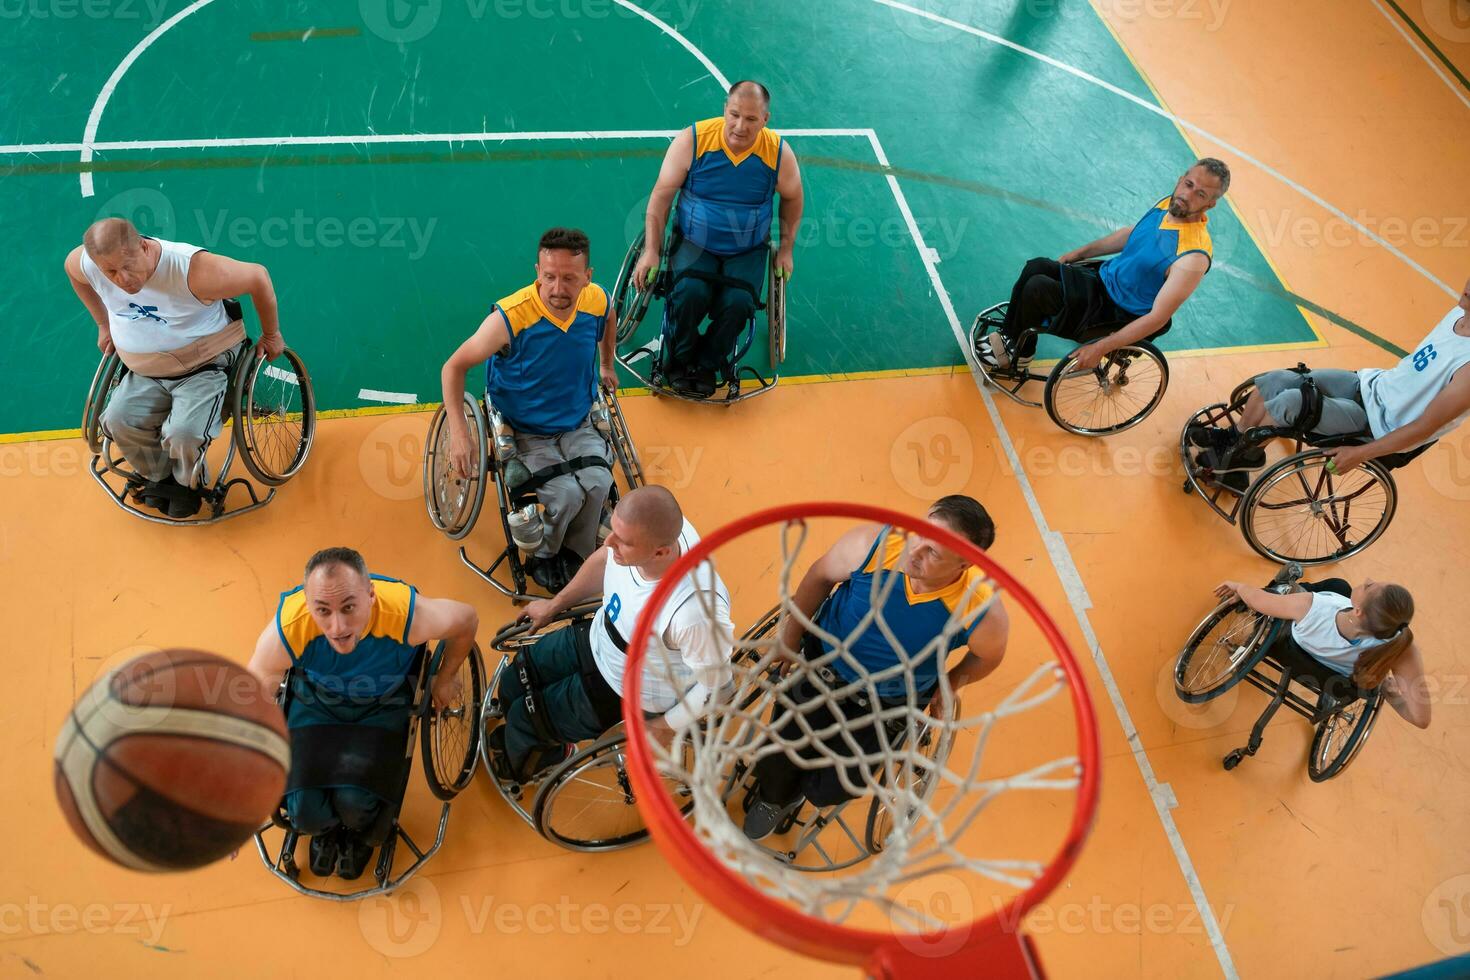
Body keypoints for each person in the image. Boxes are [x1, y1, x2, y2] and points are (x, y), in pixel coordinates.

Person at [742, 496, 1009, 841]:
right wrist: (789, 638)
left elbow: (989, 656)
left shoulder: (981, 609)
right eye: (920, 535)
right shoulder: (872, 545)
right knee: (780, 757)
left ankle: (808, 789)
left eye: (933, 553)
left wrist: (951, 683)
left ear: (963, 565)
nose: (915, 553)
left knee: (834, 787)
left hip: (887, 703)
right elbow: (818, 577)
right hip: (823, 668)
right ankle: (774, 798)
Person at [246, 547, 479, 880]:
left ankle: (356, 835)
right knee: (304, 812)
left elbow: (467, 619)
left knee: (357, 806)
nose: (337, 625)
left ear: (370, 596)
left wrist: (446, 677)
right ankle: (325, 830)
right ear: (308, 604)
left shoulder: (405, 614)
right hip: (317, 702)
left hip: (383, 702)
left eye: (349, 607)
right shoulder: (288, 629)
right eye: (322, 610)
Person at [484, 486, 734, 782]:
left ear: (661, 552)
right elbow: (604, 560)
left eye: (622, 541)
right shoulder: (647, 533)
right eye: (612, 529)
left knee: (529, 721)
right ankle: (515, 722)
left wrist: (666, 725)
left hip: (627, 689)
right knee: (519, 672)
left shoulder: (695, 614)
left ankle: (540, 758)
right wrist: (555, 604)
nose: (608, 541)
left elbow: (719, 689)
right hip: (599, 636)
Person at [65, 217, 287, 518]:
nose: (122, 280)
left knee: (183, 433)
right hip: (144, 370)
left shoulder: (191, 270)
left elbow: (258, 277)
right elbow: (72, 269)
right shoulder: (90, 263)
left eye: (128, 267)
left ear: (143, 247)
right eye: (111, 272)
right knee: (117, 421)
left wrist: (272, 335)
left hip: (204, 365)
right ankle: (162, 478)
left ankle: (187, 484)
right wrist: (103, 324)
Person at [440, 227, 620, 593]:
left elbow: (610, 319)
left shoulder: (596, 301)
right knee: (567, 494)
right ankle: (544, 553)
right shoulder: (511, 318)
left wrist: (606, 365)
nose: (558, 289)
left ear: (588, 277)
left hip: (577, 418)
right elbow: (453, 367)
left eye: (570, 278)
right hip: (524, 428)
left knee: (600, 481)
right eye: (549, 276)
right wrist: (460, 434)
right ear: (537, 271)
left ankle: (576, 552)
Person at [1191, 275, 1470, 492]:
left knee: (1290, 403)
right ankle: (1238, 440)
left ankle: (1242, 455)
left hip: (1381, 426)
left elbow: (1424, 428)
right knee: (1274, 380)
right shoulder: (1460, 312)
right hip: (1371, 385)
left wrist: (1360, 454)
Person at [632, 80, 804, 397]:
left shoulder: (778, 153)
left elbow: (793, 198)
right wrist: (652, 251)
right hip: (694, 241)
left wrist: (786, 250)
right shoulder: (694, 140)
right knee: (689, 293)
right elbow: (661, 196)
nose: (740, 126)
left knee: (739, 303)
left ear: (765, 120)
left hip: (748, 248)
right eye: (735, 114)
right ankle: (680, 360)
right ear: (725, 110)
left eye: (751, 119)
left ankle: (709, 364)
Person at [980, 159, 1229, 376]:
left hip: (1116, 312)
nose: (1188, 195)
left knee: (1038, 288)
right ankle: (1012, 337)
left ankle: (1018, 354)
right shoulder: (1169, 203)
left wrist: (1101, 347)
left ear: (1210, 205)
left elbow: (1157, 319)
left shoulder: (1193, 258)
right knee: (1037, 266)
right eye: (1189, 184)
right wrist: (1079, 253)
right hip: (1102, 280)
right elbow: (1133, 234)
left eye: (1201, 194)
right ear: (1181, 179)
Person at [1213, 574, 1430, 729]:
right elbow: (1421, 719)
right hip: (1329, 681)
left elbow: (1259, 601)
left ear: (1358, 610)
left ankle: (1283, 584)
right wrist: (1390, 693)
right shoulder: (1401, 646)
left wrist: (1239, 587)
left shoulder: (1313, 605)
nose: (1368, 579)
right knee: (1342, 589)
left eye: (1368, 586)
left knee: (1336, 584)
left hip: (1283, 649)